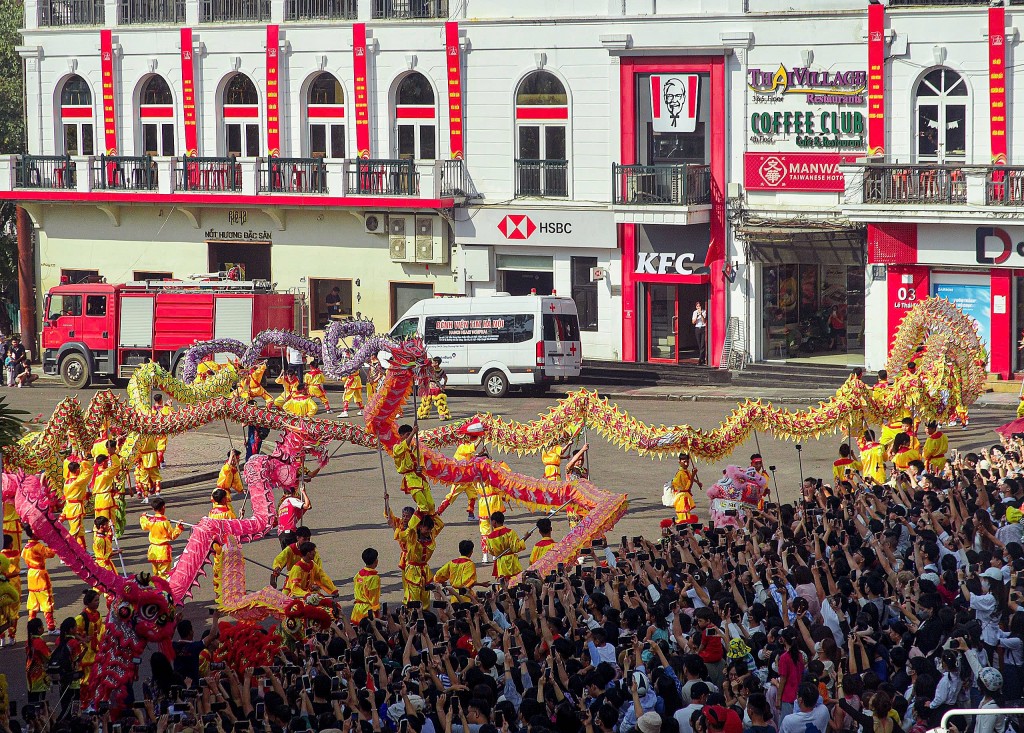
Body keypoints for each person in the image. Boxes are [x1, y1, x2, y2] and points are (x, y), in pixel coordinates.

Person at [440, 419, 488, 519]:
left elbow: (471, 457)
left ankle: (471, 514)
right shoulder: (462, 447)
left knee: (473, 495)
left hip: (468, 477)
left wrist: (481, 453)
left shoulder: (467, 447)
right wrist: (481, 438)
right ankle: (438, 513)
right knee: (451, 496)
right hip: (460, 478)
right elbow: (473, 447)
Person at [396, 512, 443, 606]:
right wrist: (418, 514)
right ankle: (412, 617)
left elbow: (441, 525)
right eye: (427, 529)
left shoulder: (431, 535)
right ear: (420, 527)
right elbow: (409, 528)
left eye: (430, 529)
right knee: (414, 598)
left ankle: (425, 615)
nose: (429, 531)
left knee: (425, 597)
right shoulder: (412, 536)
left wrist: (431, 513)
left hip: (424, 571)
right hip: (412, 570)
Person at [139, 495, 184, 579]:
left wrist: (143, 517)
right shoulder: (165, 522)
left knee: (156, 575)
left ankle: (156, 590)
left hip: (153, 550)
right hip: (163, 551)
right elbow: (172, 536)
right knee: (164, 576)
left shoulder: (150, 520)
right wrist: (179, 527)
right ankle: (163, 591)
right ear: (163, 507)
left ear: (153, 509)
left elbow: (144, 525)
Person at [22, 527, 57, 633]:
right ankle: (51, 627)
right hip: (40, 575)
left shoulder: (26, 547)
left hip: (31, 575)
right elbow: (50, 553)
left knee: (33, 601)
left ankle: (31, 625)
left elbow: (23, 556)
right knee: (47, 601)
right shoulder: (38, 547)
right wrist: (52, 543)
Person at [393, 424, 434, 514]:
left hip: (420, 478)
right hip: (411, 479)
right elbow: (404, 446)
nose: (410, 436)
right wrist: (413, 432)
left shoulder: (416, 448)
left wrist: (420, 468)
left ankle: (429, 525)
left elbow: (421, 463)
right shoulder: (396, 448)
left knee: (431, 505)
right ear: (401, 436)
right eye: (407, 434)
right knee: (423, 506)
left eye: (410, 434)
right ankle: (413, 527)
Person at [484, 511, 525, 582]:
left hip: (500, 562)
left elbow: (492, 552)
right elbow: (516, 548)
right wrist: (524, 539)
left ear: (494, 522)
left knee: (503, 582)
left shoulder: (490, 537)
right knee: (515, 581)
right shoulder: (510, 532)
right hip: (512, 561)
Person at [60, 458, 92, 548]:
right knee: (74, 532)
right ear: (77, 470)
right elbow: (90, 471)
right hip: (76, 508)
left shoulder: (66, 482)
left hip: (70, 507)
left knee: (80, 531)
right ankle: (65, 552)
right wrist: (84, 461)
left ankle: (83, 550)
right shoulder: (78, 481)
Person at [433, 539, 478, 604]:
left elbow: (438, 575)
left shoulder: (451, 563)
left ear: (459, 550)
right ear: (471, 551)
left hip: (454, 596)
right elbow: (470, 581)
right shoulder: (470, 564)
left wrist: (441, 581)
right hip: (466, 596)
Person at [75, 589, 102, 687]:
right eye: (95, 601)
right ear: (88, 602)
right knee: (87, 679)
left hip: (97, 649)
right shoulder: (81, 617)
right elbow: (72, 632)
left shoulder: (98, 614)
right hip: (86, 651)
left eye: (98, 600)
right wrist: (82, 639)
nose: (98, 603)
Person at [670, 452, 703, 525]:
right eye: (684, 462)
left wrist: (697, 482)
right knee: (684, 520)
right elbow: (688, 487)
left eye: (687, 462)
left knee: (686, 517)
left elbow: (690, 477)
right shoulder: (680, 474)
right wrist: (694, 475)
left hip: (684, 497)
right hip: (682, 498)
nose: (686, 464)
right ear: (679, 461)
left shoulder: (685, 471)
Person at [351, 547, 381, 625]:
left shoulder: (359, 574)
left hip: (357, 610)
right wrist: (377, 611)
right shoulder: (374, 577)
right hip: (368, 611)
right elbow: (373, 598)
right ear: (376, 561)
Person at [417, 357, 451, 421]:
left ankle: (443, 415)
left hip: (437, 388)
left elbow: (445, 378)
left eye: (433, 363)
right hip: (428, 388)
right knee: (426, 402)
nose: (432, 364)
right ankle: (423, 414)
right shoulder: (430, 370)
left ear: (437, 363)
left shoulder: (441, 371)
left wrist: (444, 385)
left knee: (440, 403)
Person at [24, 618, 51, 701]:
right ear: (39, 629)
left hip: (31, 670)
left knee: (32, 696)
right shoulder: (39, 642)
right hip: (39, 672)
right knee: (39, 698)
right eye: (42, 626)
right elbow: (48, 657)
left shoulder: (29, 640)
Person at [1, 533, 20, 646]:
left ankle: (1, 638)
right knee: (14, 609)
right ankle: (12, 636)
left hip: (2, 584)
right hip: (14, 584)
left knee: (1, 610)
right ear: (11, 544)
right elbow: (16, 570)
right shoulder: (16, 554)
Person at [91, 451, 119, 524]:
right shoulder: (106, 473)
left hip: (98, 499)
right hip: (105, 497)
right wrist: (113, 455)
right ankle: (111, 533)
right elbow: (117, 466)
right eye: (106, 462)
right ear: (103, 463)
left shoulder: (95, 474)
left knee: (98, 518)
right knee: (109, 519)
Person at [134, 433, 163, 499]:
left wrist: (136, 458)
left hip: (143, 458)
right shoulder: (153, 433)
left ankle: (146, 496)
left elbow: (137, 448)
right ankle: (157, 492)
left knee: (144, 478)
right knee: (156, 476)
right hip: (152, 456)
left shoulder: (139, 435)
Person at [152, 394, 171, 466]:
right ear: (161, 400)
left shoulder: (152, 409)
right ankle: (158, 463)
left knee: (156, 448)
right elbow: (171, 415)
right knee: (160, 449)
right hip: (162, 432)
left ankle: (162, 462)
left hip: (154, 432)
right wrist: (169, 406)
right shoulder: (164, 408)